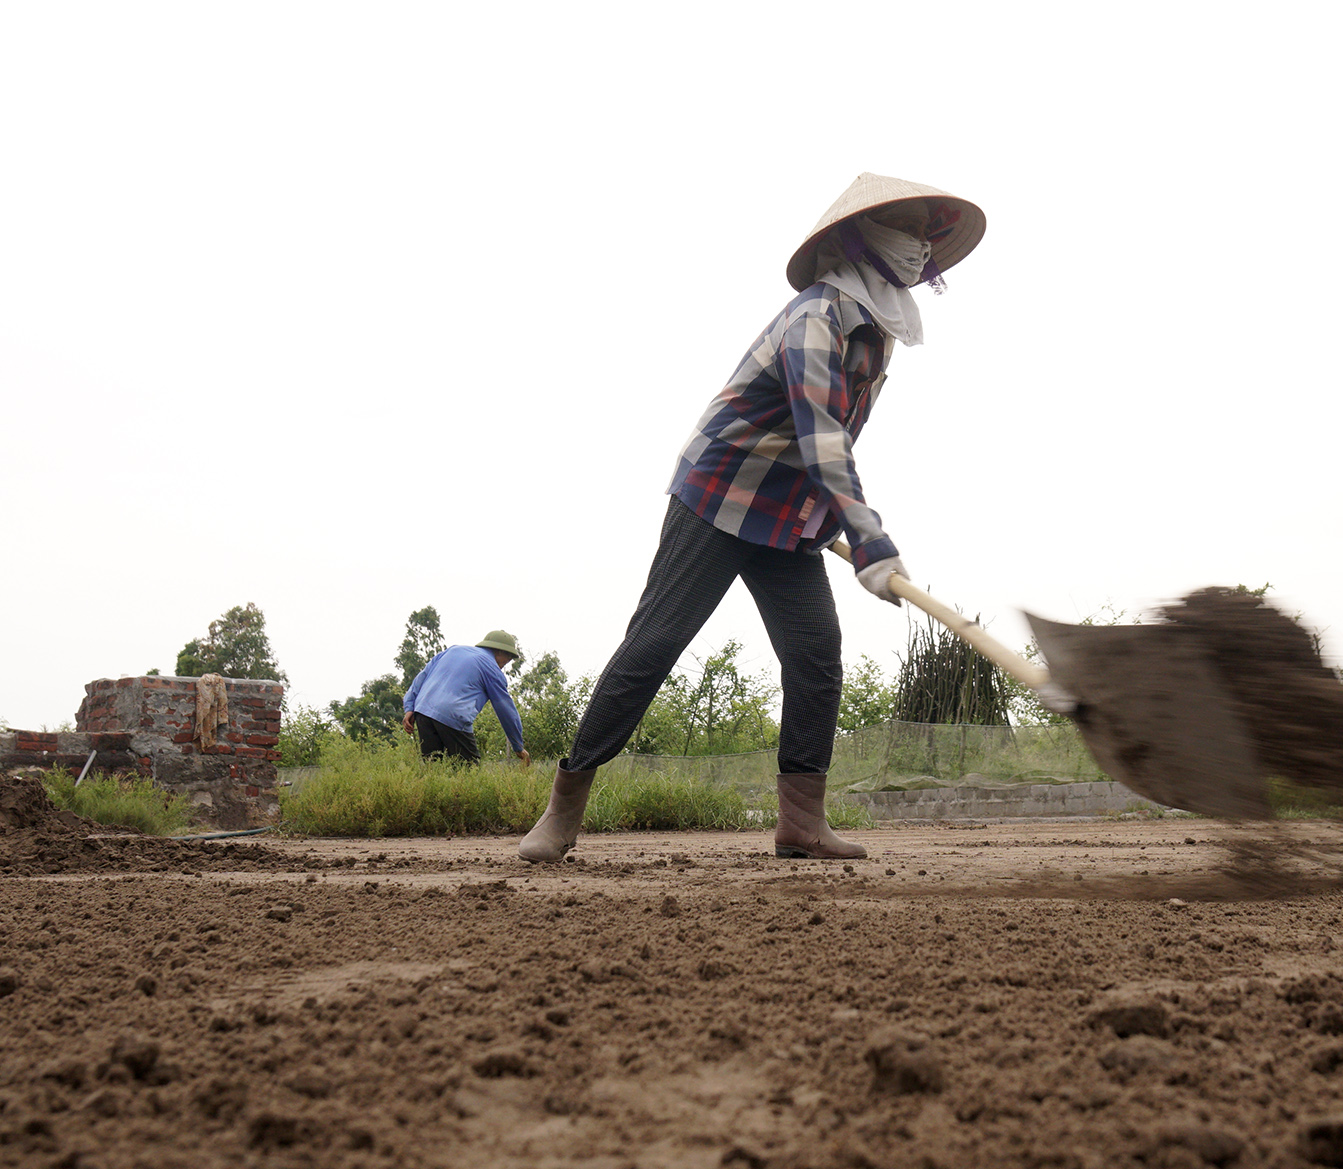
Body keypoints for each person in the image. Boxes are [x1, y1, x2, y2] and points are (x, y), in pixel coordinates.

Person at [519, 172, 985, 864]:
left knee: (816, 657)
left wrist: (837, 525)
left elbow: (832, 447)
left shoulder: (874, 337)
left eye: (928, 233)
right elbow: (822, 436)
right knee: (653, 647)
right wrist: (871, 536)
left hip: (787, 513)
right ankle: (564, 806)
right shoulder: (814, 319)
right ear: (863, 240)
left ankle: (801, 820)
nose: (922, 245)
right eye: (910, 230)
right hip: (719, 494)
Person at [401, 630, 531, 765]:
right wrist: (518, 746)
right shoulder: (492, 669)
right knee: (469, 771)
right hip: (453, 715)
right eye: (508, 658)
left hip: (423, 712)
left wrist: (409, 707)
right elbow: (506, 710)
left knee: (434, 769)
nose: (506, 664)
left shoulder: (452, 651)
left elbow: (420, 679)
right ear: (500, 651)